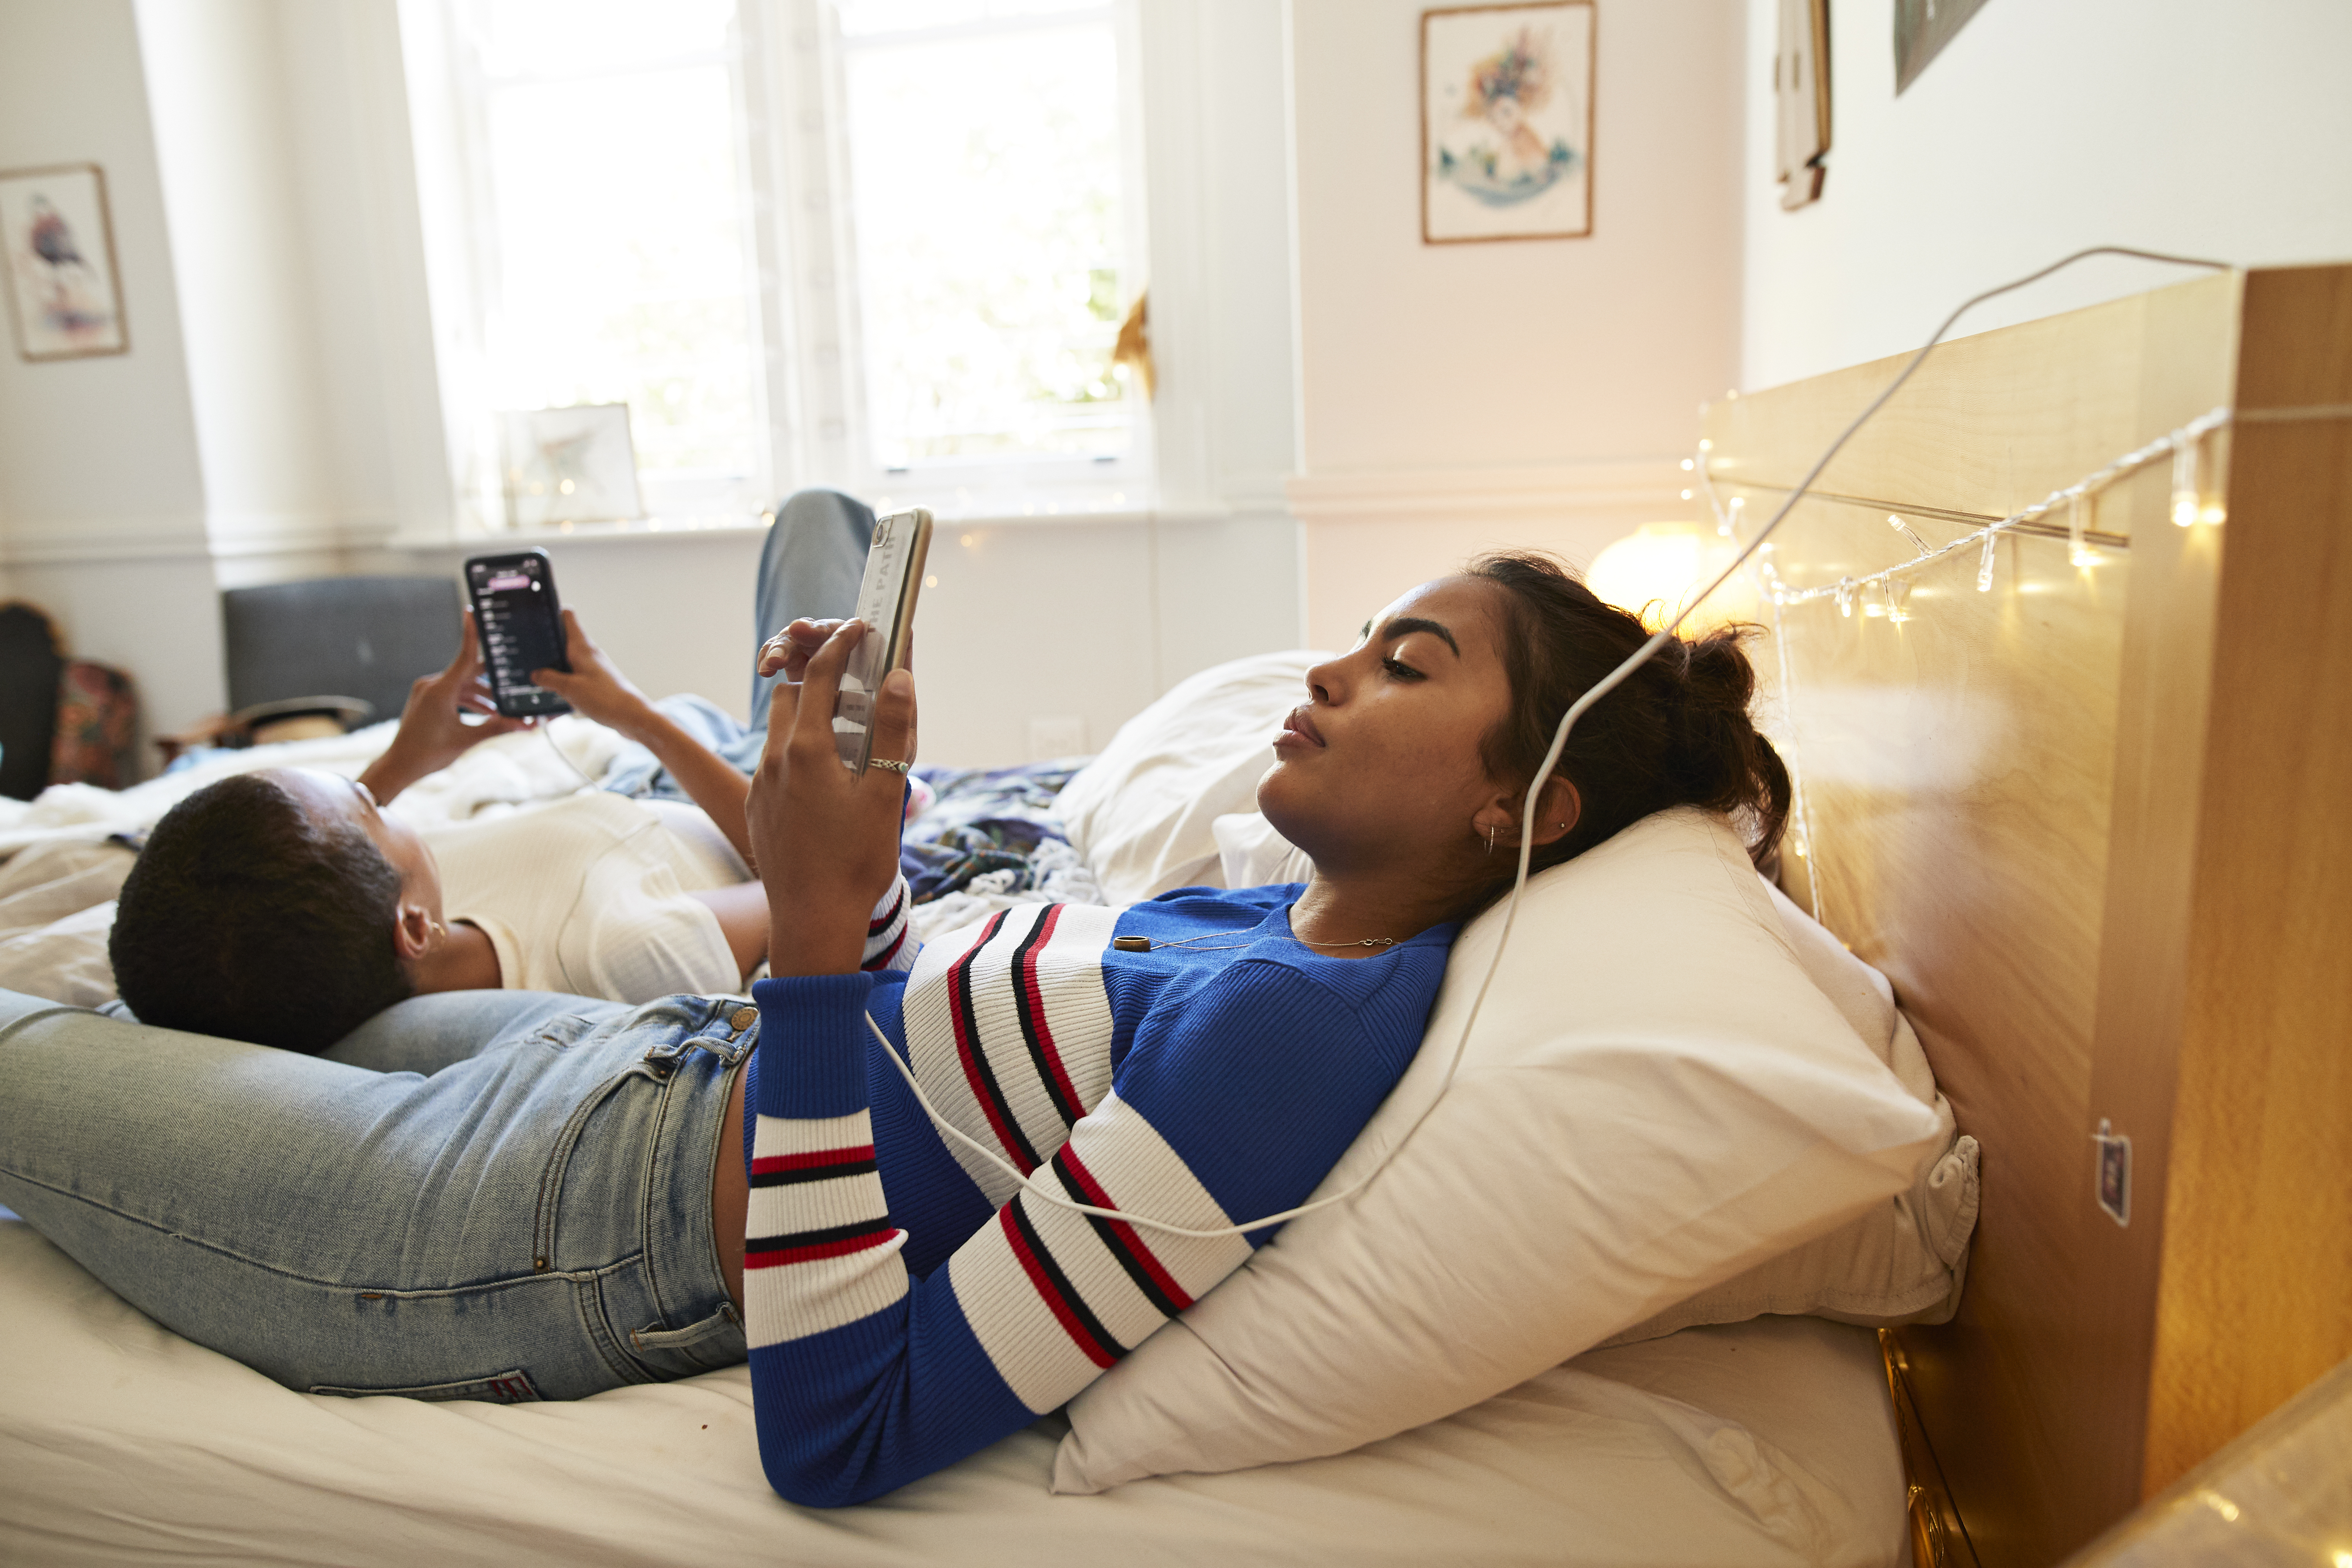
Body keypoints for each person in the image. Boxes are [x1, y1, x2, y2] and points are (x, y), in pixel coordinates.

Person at [0, 549, 1788, 1509]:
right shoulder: (1268, 917)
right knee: (156, 983)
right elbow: (941, 1066)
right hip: (607, 1070)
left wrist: (811, 939)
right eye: (1365, 639)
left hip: (535, 1220)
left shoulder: (1293, 1041)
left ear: (1520, 807)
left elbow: (839, 1428)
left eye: (1408, 665)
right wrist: (856, 847)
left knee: (29, 1048)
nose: (1329, 670)